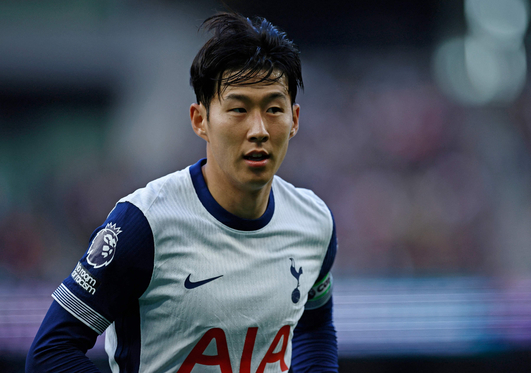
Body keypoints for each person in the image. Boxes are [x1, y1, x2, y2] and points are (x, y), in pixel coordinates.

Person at [26, 11, 338, 373]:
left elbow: (314, 328)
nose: (258, 130)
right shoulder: (143, 224)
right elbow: (51, 353)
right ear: (200, 120)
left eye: (273, 109)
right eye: (238, 109)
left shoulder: (314, 222)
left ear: (294, 120)